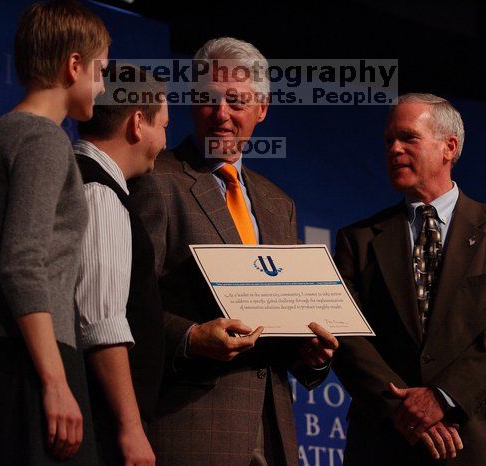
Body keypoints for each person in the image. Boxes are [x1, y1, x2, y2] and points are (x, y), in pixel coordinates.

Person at [127, 37, 339, 466]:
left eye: (236, 101)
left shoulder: (279, 203)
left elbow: (283, 313)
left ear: (262, 108)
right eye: (209, 99)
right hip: (190, 427)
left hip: (273, 429)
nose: (222, 115)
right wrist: (188, 339)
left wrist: (311, 356)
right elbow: (125, 301)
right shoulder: (157, 180)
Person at [0, 1, 110, 464]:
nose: (102, 85)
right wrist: (56, 382)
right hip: (32, 365)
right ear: (73, 65)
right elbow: (21, 262)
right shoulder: (44, 139)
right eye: (100, 70)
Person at [333, 93, 486, 465]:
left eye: (408, 138)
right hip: (387, 438)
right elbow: (345, 333)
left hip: (481, 436)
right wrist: (403, 407)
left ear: (449, 147)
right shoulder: (359, 240)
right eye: (388, 141)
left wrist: (442, 397)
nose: (394, 149)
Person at [73, 70, 168, 466]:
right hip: (101, 429)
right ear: (137, 123)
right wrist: (130, 429)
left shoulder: (80, 180)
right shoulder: (99, 193)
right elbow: (101, 322)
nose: (164, 141)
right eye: (164, 126)